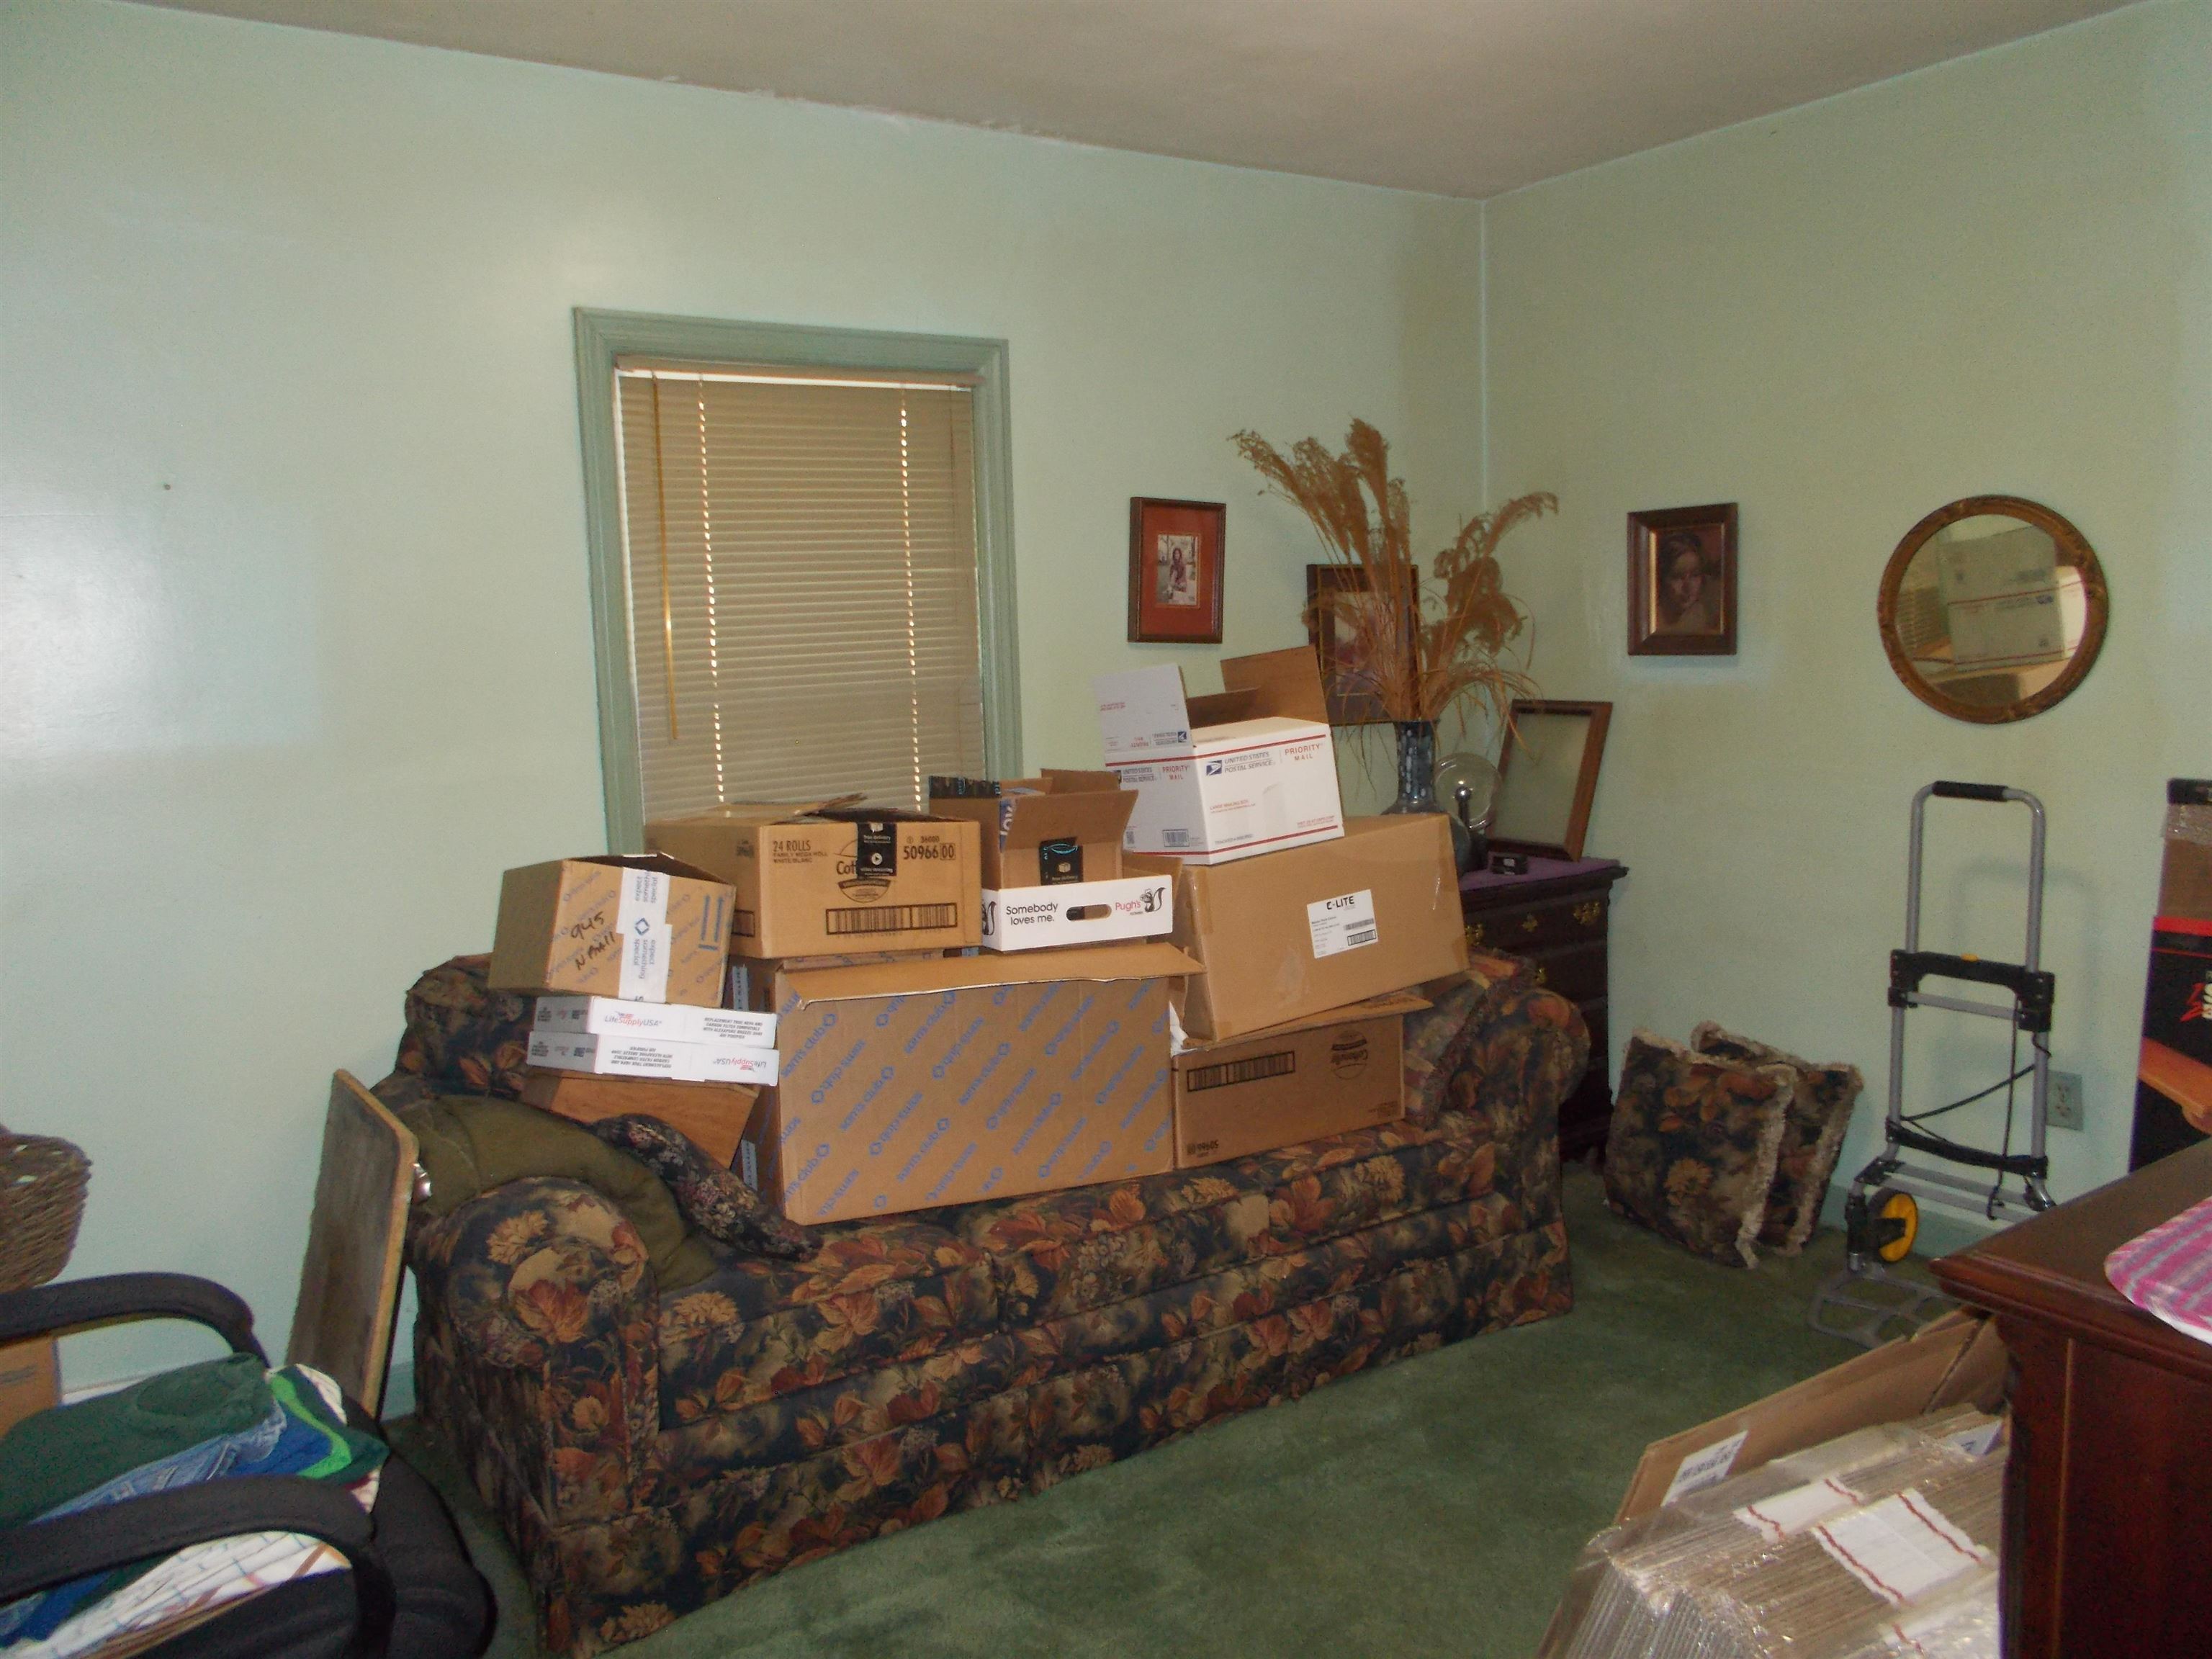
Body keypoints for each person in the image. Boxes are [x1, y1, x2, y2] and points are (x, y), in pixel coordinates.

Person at [1655, 530, 1721, 633]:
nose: (1688, 587)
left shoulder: (1705, 617)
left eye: (1695, 575)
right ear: (1662, 579)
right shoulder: (1651, 619)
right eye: (1677, 577)